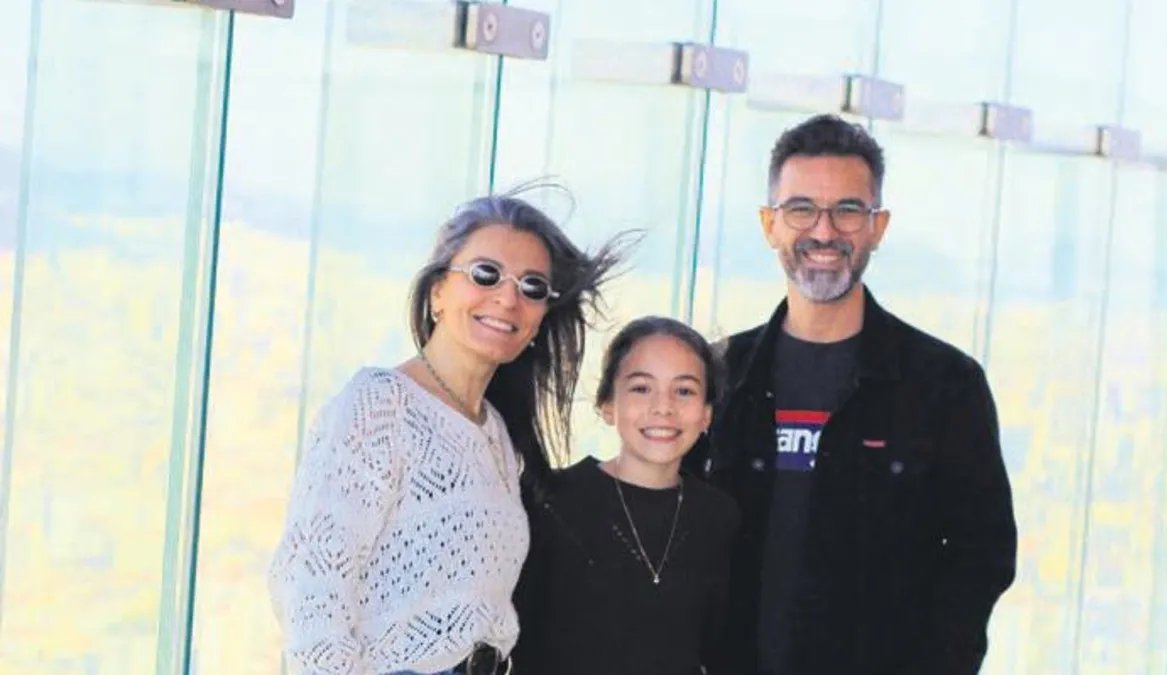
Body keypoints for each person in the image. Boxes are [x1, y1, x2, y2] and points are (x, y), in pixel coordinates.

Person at [683, 114, 1018, 675]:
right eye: (801, 209)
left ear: (877, 227)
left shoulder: (945, 385)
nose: (824, 231)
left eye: (848, 210)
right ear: (769, 224)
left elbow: (981, 558)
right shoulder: (719, 375)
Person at [267, 186, 632, 675]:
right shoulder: (380, 405)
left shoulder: (494, 431)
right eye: (485, 274)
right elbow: (311, 588)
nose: (508, 297)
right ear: (438, 290)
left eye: (532, 287)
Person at [512, 316, 740, 675]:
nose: (663, 407)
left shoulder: (719, 516)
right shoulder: (549, 500)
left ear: (707, 415)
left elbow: (717, 647)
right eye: (641, 388)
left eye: (684, 391)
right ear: (607, 405)